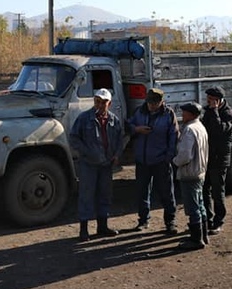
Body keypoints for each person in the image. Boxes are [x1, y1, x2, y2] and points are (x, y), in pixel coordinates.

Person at [69, 88, 125, 241]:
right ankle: (84, 230)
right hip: (89, 164)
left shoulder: (114, 120)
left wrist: (117, 155)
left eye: (103, 102)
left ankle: (102, 226)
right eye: (97, 101)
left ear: (109, 103)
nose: (99, 105)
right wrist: (86, 152)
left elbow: (120, 139)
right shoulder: (84, 118)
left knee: (105, 195)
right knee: (86, 195)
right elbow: (74, 138)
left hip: (106, 164)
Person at [128, 87, 180, 234]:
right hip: (142, 160)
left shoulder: (168, 114)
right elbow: (129, 125)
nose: (152, 105)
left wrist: (168, 157)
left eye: (155, 102)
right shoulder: (139, 111)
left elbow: (174, 136)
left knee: (167, 193)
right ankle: (143, 221)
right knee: (142, 192)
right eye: (150, 102)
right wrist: (137, 129)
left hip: (161, 161)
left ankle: (170, 222)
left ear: (161, 101)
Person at [173, 102, 209, 250]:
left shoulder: (189, 130)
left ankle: (196, 239)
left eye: (185, 112)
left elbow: (185, 155)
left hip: (190, 173)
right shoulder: (200, 127)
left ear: (191, 114)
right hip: (200, 172)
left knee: (193, 207)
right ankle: (203, 235)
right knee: (200, 205)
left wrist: (175, 161)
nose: (182, 115)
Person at [201, 86, 232, 235]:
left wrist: (214, 112)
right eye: (207, 100)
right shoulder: (208, 112)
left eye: (211, 100)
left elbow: (218, 130)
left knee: (218, 192)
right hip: (208, 157)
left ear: (218, 100)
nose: (208, 103)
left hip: (220, 159)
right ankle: (207, 219)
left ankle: (218, 221)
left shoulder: (229, 114)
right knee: (204, 191)